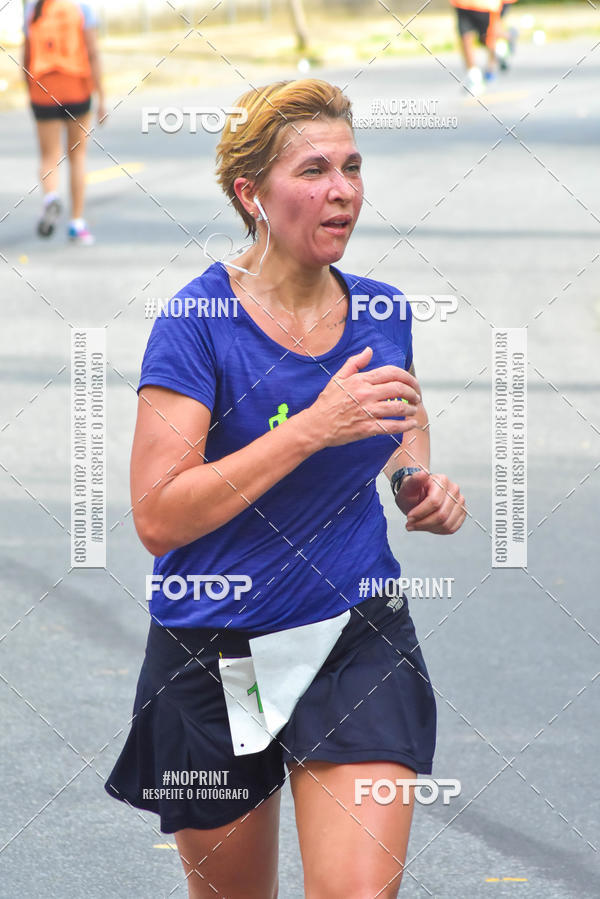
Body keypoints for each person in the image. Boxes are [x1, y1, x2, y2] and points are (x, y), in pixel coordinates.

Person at [104, 79, 467, 898]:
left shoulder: (382, 309)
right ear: (251, 194)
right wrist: (309, 426)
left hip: (355, 633)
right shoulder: (196, 324)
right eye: (313, 170)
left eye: (351, 166)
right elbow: (158, 516)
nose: (342, 190)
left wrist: (414, 480)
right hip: (215, 646)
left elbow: (396, 418)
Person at [22, 0, 106, 244]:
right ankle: (76, 224)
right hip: (77, 90)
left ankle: (50, 198)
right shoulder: (82, 8)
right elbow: (92, 53)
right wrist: (100, 96)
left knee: (49, 155)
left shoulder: (34, 8)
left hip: (43, 90)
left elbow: (26, 56)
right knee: (77, 156)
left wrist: (31, 91)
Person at [449, 0, 504, 94]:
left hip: (487, 6)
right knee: (465, 37)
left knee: (488, 40)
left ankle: (494, 60)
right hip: (463, 4)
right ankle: (474, 76)